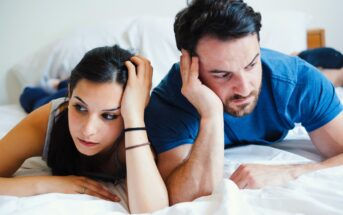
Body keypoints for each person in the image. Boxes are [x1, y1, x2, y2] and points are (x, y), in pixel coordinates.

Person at [144, 0, 343, 205]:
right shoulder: (170, 101)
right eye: (222, 74)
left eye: (251, 65)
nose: (245, 88)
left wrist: (291, 171)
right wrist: (211, 114)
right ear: (187, 63)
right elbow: (184, 197)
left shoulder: (297, 80)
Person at [0, 45, 168, 213]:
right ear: (70, 94)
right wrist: (46, 184)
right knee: (33, 99)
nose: (88, 130)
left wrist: (134, 118)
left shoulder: (143, 126)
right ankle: (46, 89)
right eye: (80, 108)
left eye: (109, 116)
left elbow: (152, 211)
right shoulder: (50, 119)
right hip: (56, 99)